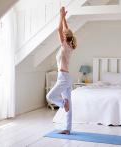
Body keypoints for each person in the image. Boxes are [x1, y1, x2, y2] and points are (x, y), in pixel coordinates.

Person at [46, 6, 77, 135]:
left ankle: (63, 103)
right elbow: (66, 30)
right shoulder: (70, 44)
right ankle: (67, 129)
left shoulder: (65, 45)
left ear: (65, 37)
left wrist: (61, 16)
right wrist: (64, 17)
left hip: (63, 77)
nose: (62, 34)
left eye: (64, 35)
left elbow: (59, 29)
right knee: (69, 103)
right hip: (66, 77)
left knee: (50, 96)